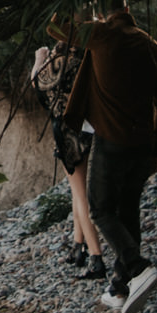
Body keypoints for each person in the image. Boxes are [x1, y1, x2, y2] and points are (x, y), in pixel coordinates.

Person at [56, 0, 157, 313]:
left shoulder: (102, 35)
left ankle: (138, 268)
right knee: (127, 211)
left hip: (112, 143)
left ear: (106, 13)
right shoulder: (154, 48)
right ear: (127, 9)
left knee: (102, 209)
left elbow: (54, 26)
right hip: (144, 145)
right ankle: (120, 287)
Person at [31, 41, 105, 279]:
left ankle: (96, 258)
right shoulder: (90, 54)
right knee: (78, 190)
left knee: (80, 193)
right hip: (91, 127)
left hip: (67, 130)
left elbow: (40, 88)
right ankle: (78, 246)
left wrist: (39, 60)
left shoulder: (61, 58)